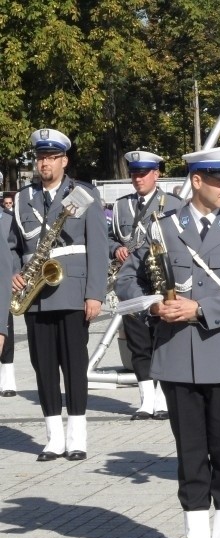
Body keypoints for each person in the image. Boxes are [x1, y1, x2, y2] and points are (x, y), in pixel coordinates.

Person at [117, 145, 220, 538]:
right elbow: (129, 280)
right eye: (219, 180)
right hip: (178, 357)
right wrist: (152, 306)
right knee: (190, 451)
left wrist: (198, 308)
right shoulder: (162, 228)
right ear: (196, 181)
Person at [10, 128, 107, 462]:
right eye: (40, 158)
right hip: (35, 294)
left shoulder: (83, 194)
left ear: (64, 161)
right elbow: (13, 246)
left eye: (51, 158)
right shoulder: (24, 197)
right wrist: (14, 273)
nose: (45, 164)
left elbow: (98, 246)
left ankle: (77, 436)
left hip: (72, 291)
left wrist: (95, 294)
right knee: (44, 366)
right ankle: (53, 438)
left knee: (74, 365)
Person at [110, 151, 182, 420]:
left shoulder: (172, 202)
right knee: (138, 342)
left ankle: (162, 398)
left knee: (163, 340)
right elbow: (108, 237)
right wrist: (116, 247)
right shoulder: (120, 206)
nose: (137, 179)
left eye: (143, 173)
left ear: (157, 174)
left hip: (162, 281)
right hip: (131, 282)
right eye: (134, 174)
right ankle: (145, 400)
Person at [0, 198, 17, 396]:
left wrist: (15, 272)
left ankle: (9, 378)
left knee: (6, 327)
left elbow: (14, 250)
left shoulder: (8, 219)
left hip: (3, 280)